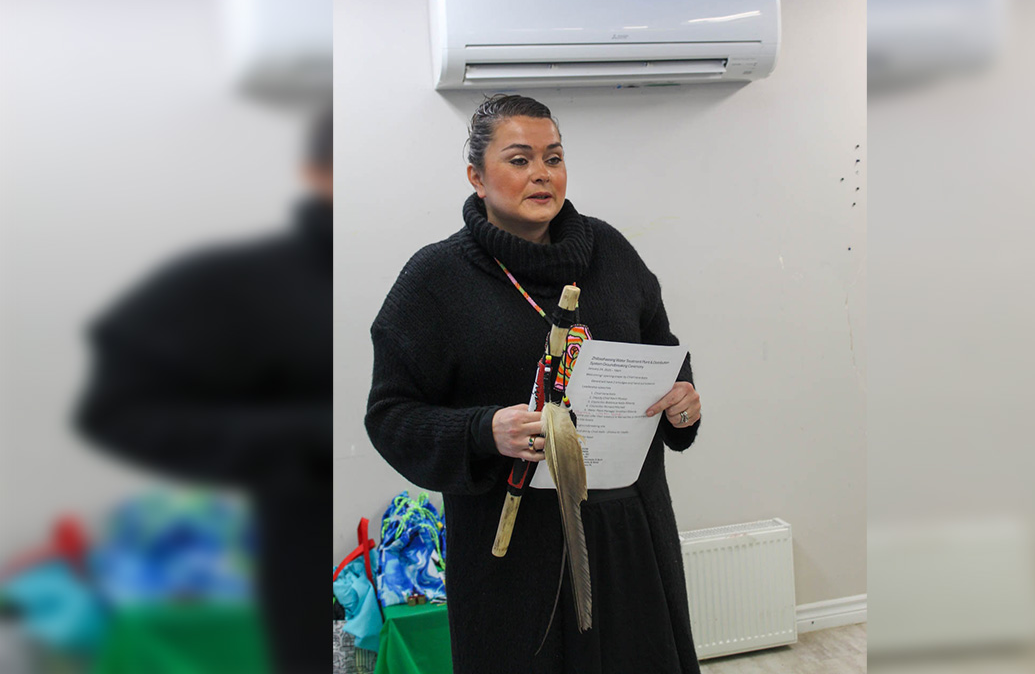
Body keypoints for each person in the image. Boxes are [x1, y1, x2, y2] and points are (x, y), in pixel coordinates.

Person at [365, 94, 704, 673]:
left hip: (628, 532)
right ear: (477, 177)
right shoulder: (436, 279)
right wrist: (483, 430)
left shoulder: (610, 252)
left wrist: (683, 402)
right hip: (514, 553)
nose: (542, 173)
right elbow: (390, 415)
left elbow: (662, 353)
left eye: (554, 157)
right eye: (520, 159)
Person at [75, 108, 334, 674]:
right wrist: (303, 436)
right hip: (287, 553)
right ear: (316, 174)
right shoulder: (240, 282)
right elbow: (114, 409)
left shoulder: (419, 274)